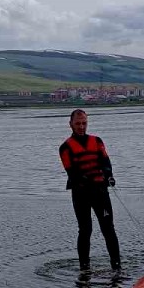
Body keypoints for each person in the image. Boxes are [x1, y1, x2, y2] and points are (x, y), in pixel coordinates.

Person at [59, 109, 121, 270]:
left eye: (84, 123)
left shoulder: (97, 141)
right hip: (81, 194)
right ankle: (84, 268)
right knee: (85, 230)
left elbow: (106, 163)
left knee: (108, 229)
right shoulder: (65, 147)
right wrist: (90, 182)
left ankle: (116, 266)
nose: (81, 126)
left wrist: (109, 176)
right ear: (71, 124)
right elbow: (72, 172)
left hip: (101, 193)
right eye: (78, 123)